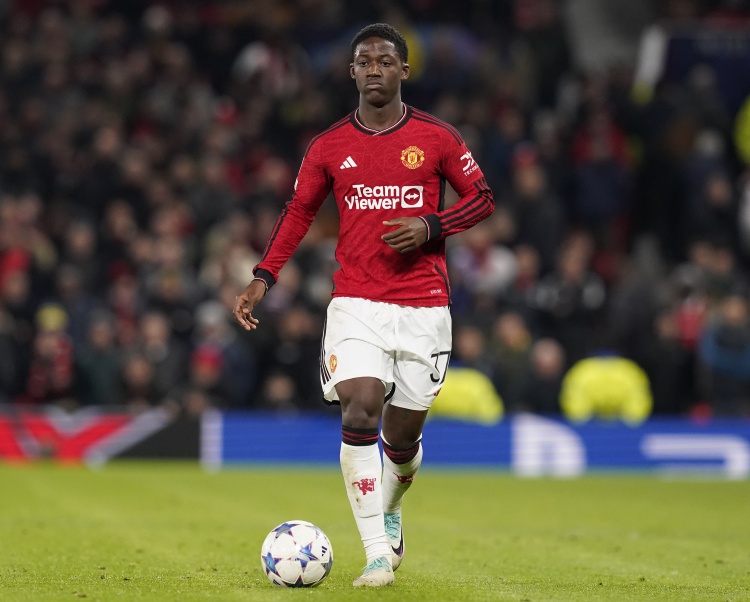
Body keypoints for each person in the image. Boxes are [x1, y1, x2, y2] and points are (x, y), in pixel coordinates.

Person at [233, 23, 494, 587]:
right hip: (356, 301)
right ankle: (377, 554)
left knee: (401, 442)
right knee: (359, 407)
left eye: (385, 61)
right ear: (352, 72)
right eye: (365, 62)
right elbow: (298, 213)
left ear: (404, 70)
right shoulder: (328, 146)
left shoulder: (437, 137)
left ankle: (391, 507)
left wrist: (431, 225)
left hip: (424, 305)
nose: (375, 69)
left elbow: (483, 198)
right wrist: (263, 276)